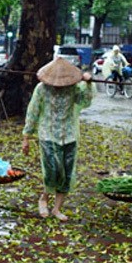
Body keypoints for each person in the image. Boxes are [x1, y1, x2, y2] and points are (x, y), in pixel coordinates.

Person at [22, 57, 95, 221]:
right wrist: (26, 137)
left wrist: (88, 83)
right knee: (52, 170)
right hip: (48, 134)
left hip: (69, 135)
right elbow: (33, 112)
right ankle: (44, 198)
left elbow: (85, 100)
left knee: (67, 173)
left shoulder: (74, 89)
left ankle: (57, 208)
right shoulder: (41, 89)